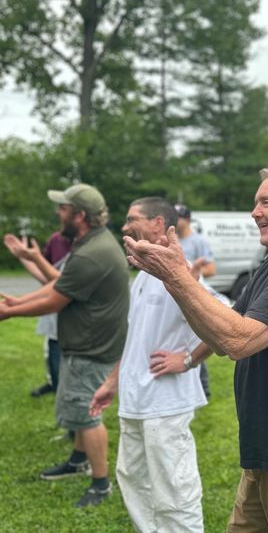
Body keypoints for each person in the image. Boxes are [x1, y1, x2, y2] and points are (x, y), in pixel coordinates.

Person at [124, 167, 268, 532]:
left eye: (266, 202)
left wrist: (177, 277)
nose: (254, 212)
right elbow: (222, 331)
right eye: (254, 202)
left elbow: (239, 341)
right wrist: (176, 283)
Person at [0, 183, 130, 508]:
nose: (58, 212)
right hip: (90, 343)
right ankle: (77, 460)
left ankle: (100, 484)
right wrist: (16, 301)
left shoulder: (91, 253)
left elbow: (56, 300)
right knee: (79, 408)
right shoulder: (91, 244)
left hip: (91, 347)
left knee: (87, 414)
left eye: (63, 207)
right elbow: (60, 284)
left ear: (79, 215)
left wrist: (10, 312)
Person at [90, 197, 210, 531]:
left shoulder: (179, 270)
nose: (125, 226)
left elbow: (222, 320)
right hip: (134, 401)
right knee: (132, 479)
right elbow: (135, 339)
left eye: (132, 219)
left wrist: (187, 360)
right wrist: (113, 382)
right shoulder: (143, 273)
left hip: (165, 404)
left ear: (159, 223)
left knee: (174, 491)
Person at [3, 231, 71, 396]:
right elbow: (50, 280)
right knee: (52, 348)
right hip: (57, 310)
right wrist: (25, 257)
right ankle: (54, 384)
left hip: (77, 314)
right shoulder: (56, 239)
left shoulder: (92, 248)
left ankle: (64, 389)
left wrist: (12, 309)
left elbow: (64, 284)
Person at [175, 203, 216, 398]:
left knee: (198, 338)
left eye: (179, 217)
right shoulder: (173, 240)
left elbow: (211, 270)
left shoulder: (198, 241)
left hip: (195, 293)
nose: (175, 221)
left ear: (187, 219)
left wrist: (195, 270)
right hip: (176, 296)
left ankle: (203, 387)